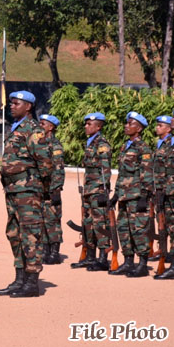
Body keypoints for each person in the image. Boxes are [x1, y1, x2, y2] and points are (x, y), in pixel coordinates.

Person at [0, 91, 52, 298]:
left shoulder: (34, 130)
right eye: (11, 103)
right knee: (14, 234)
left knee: (30, 235)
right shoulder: (17, 128)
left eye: (16, 103)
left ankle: (31, 282)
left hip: (28, 190)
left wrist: (39, 187)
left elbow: (45, 163)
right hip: (13, 189)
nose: (11, 106)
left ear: (28, 106)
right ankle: (19, 278)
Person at [109, 112, 153, 278]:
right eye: (127, 123)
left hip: (136, 197)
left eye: (131, 124)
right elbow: (122, 174)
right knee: (124, 229)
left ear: (139, 128)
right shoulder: (125, 146)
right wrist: (116, 194)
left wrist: (144, 195)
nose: (127, 126)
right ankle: (128, 262)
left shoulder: (143, 148)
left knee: (139, 230)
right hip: (124, 197)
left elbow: (147, 173)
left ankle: (142, 264)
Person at [70, 112, 113, 271]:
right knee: (87, 223)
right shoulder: (91, 142)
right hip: (88, 189)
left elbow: (105, 169)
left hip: (97, 190)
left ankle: (102, 259)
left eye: (89, 124)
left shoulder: (101, 144)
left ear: (99, 126)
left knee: (100, 222)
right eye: (86, 123)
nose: (86, 126)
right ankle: (90, 256)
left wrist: (103, 190)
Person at [38, 114, 65, 264]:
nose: (40, 126)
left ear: (51, 127)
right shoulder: (38, 144)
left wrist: (56, 189)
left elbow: (59, 169)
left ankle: (55, 253)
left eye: (42, 124)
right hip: (38, 189)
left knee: (53, 221)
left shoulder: (55, 145)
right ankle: (45, 250)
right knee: (41, 220)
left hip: (51, 189)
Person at [153, 115, 173, 279]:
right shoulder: (163, 144)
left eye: (161, 125)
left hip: (171, 192)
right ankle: (168, 257)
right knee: (165, 227)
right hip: (164, 192)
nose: (157, 128)